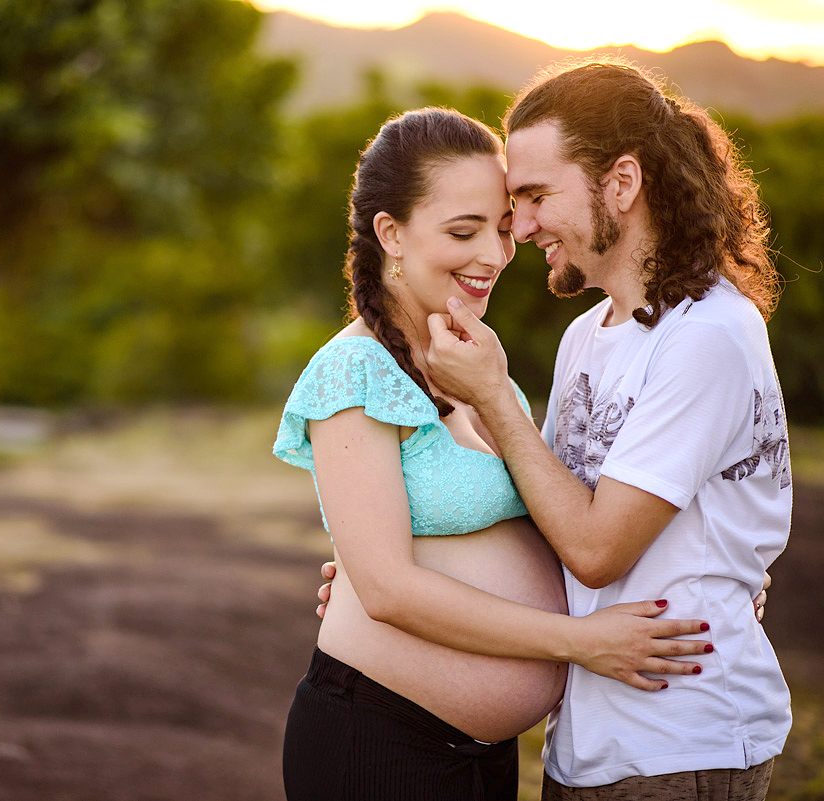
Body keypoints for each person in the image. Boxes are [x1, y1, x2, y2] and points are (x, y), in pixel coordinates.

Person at [272, 106, 713, 801]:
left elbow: (559, 520)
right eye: (463, 231)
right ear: (391, 232)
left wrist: (703, 574)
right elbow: (387, 589)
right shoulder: (351, 374)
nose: (494, 254)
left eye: (504, 228)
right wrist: (579, 641)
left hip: (480, 754)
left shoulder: (482, 368)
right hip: (380, 744)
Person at [420, 60, 791, 799]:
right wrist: (402, 571)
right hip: (587, 744)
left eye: (534, 197)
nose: (518, 229)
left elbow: (593, 549)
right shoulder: (587, 335)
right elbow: (547, 509)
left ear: (621, 183)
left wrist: (494, 396)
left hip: (682, 747)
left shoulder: (708, 335)